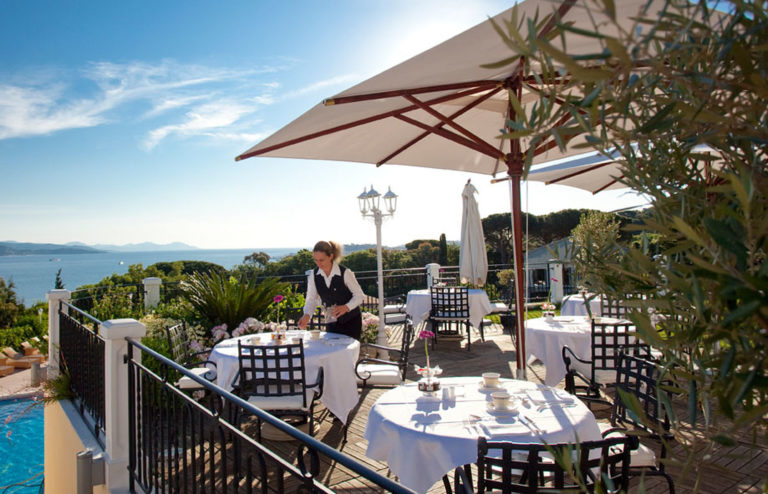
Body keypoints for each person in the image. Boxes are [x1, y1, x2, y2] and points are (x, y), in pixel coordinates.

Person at [298, 240, 365, 340]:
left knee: (348, 354)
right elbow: (311, 299)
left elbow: (360, 295)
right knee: (332, 352)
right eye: (315, 260)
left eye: (321, 260)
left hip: (351, 321)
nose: (318, 263)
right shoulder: (313, 275)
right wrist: (307, 315)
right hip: (331, 322)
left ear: (331, 256)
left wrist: (346, 307)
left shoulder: (345, 273)